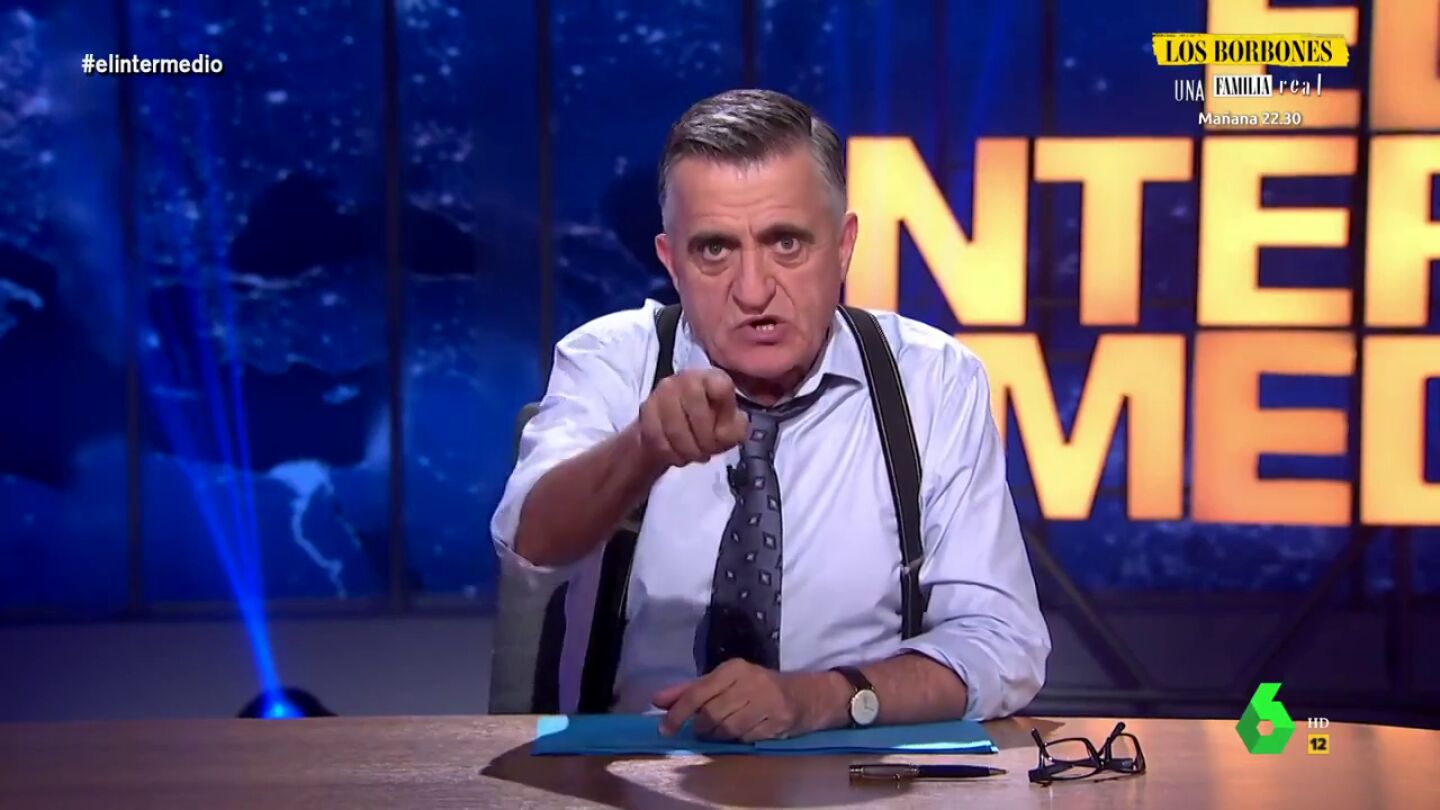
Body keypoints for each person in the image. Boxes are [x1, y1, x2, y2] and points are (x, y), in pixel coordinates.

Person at [492, 89, 1049, 742]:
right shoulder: (610, 361)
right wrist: (642, 448)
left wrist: (826, 698)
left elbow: (1002, 641)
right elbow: (530, 546)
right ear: (671, 262)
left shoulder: (932, 381)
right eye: (714, 250)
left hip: (854, 767)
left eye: (786, 243)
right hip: (628, 767)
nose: (753, 291)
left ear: (843, 246)